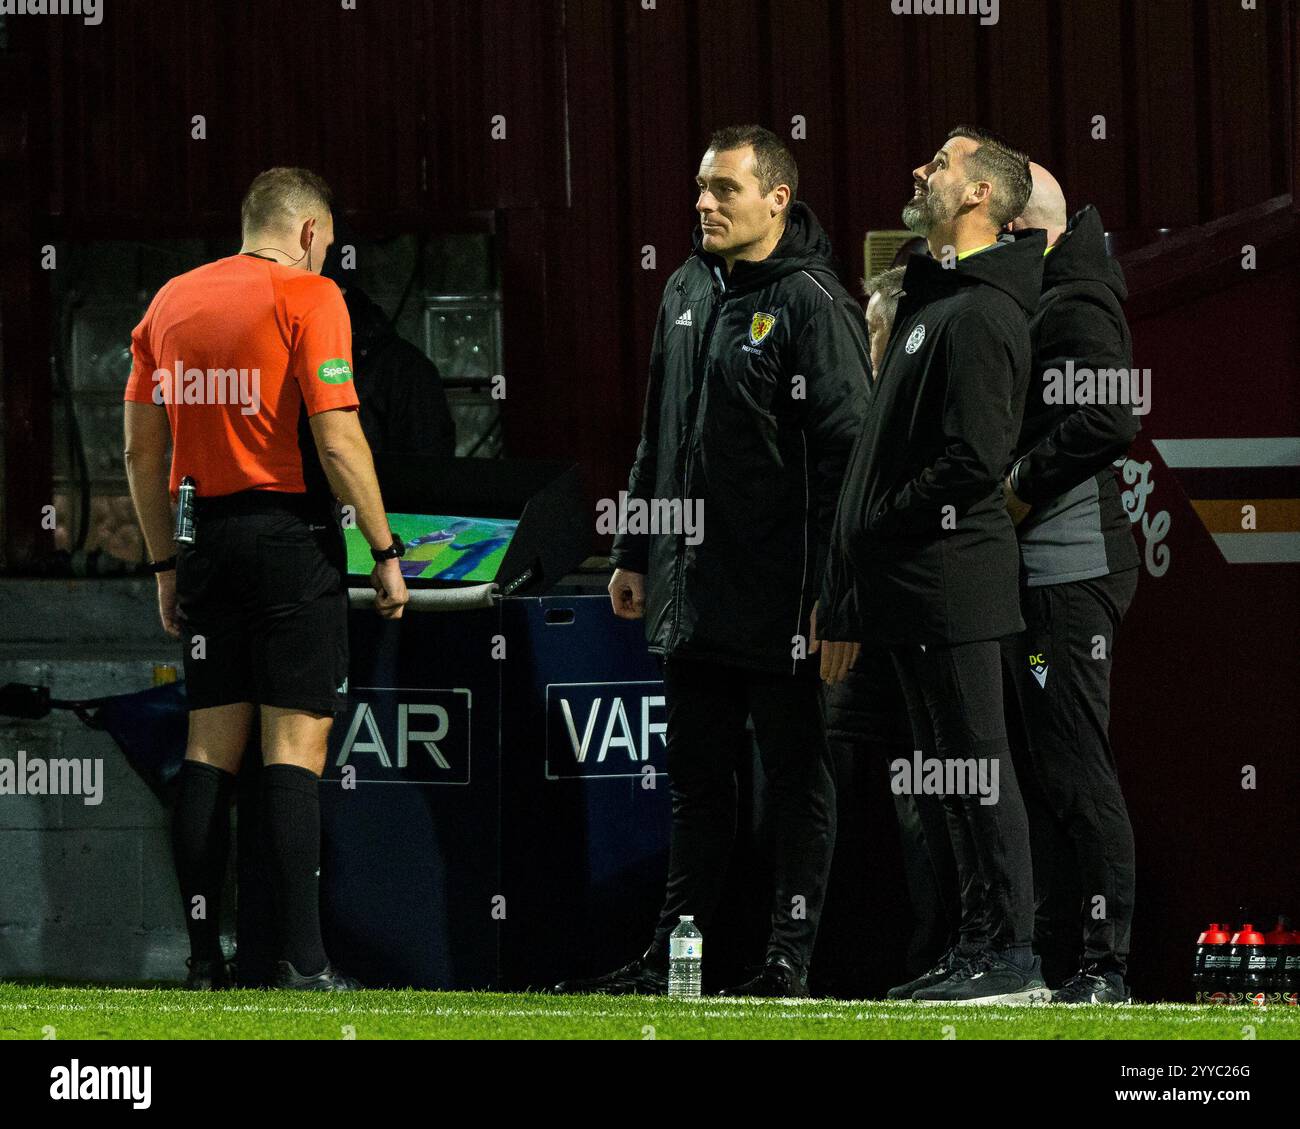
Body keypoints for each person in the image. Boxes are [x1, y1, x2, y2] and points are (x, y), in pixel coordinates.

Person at [554, 125, 869, 998]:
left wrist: (836, 599)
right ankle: (673, 963)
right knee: (697, 785)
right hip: (691, 594)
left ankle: (786, 963)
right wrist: (632, 549)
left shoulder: (815, 302)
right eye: (700, 187)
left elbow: (849, 464)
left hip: (782, 600)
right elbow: (659, 428)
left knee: (798, 783)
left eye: (725, 189)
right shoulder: (687, 287)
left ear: (777, 199)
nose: (703, 203)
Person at [123, 167, 409, 991]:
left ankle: (208, 957)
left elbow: (142, 453)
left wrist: (164, 564)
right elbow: (338, 438)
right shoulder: (312, 297)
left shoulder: (168, 303)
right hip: (290, 539)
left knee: (210, 749)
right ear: (313, 234)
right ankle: (303, 960)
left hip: (202, 539)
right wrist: (385, 551)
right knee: (295, 747)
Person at [821, 126, 1050, 1004]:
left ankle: (1013, 957)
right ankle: (975, 945)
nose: (921, 169)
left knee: (978, 772)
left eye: (942, 163)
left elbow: (972, 461)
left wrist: (876, 519)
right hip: (910, 589)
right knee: (947, 782)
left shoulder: (986, 310)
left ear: (979, 196)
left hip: (954, 581)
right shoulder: (933, 299)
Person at [1003, 164, 1141, 1003]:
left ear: (1025, 231)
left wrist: (1018, 483)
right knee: (1051, 772)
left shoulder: (1077, 295)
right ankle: (1058, 959)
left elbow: (1110, 416)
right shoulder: (1046, 292)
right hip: (1041, 569)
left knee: (1078, 768)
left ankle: (1105, 964)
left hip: (1070, 565)